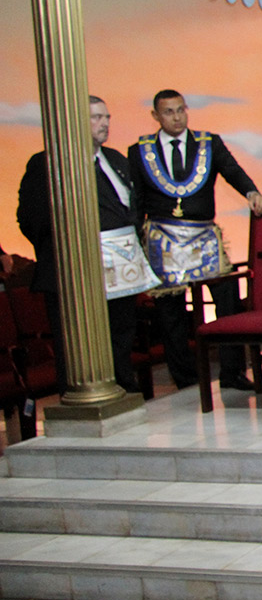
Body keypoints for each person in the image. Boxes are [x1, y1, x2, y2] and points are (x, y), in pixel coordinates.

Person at [129, 89, 262, 391]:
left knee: (227, 298)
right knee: (171, 313)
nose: (177, 117)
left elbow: (232, 171)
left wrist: (251, 191)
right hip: (163, 241)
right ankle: (186, 380)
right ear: (155, 116)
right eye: (169, 112)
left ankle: (232, 372)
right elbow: (136, 200)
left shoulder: (208, 143)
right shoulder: (139, 151)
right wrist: (136, 243)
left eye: (181, 110)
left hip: (204, 236)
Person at [17, 95, 142, 394]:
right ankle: (81, 398)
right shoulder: (46, 162)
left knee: (120, 335)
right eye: (96, 117)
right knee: (76, 344)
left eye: (107, 117)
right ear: (74, 122)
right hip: (72, 274)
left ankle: (124, 392)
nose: (105, 123)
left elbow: (133, 207)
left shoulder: (116, 160)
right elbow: (31, 219)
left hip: (120, 270)